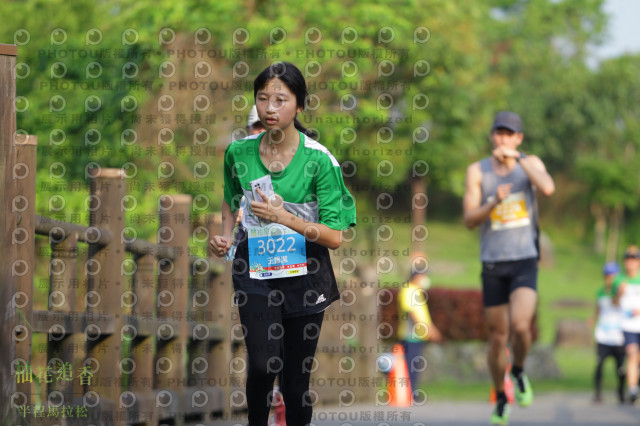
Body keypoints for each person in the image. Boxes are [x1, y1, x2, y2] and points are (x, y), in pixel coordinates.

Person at [210, 62, 356, 426]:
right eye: (262, 99)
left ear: (300, 106)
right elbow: (231, 199)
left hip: (307, 275)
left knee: (294, 382)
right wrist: (226, 236)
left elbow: (335, 238)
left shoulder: (320, 161)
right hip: (255, 270)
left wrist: (285, 218)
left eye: (280, 99)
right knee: (263, 363)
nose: (270, 108)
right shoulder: (237, 153)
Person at [462, 111, 555, 425]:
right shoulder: (477, 171)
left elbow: (547, 188)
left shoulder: (531, 163)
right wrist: (493, 203)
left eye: (509, 134)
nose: (503, 138)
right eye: (499, 133)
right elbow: (468, 220)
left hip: (524, 260)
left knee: (520, 325)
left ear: (518, 138)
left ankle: (518, 370)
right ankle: (500, 396)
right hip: (493, 263)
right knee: (498, 337)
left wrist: (520, 158)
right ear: (492, 136)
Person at [397, 255, 442, 392]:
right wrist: (428, 330)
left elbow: (423, 317)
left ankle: (412, 393)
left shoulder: (417, 292)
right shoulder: (408, 290)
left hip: (418, 335)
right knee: (411, 366)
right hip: (410, 335)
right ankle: (409, 393)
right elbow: (413, 314)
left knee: (414, 366)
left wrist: (430, 329)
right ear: (417, 276)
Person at [592, 261, 625, 404]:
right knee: (599, 363)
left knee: (620, 367)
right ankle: (598, 393)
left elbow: (616, 302)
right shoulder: (601, 291)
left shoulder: (622, 292)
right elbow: (598, 308)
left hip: (618, 335)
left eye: (612, 275)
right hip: (603, 334)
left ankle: (621, 393)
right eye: (607, 274)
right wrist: (592, 319)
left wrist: (618, 292)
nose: (609, 278)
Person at [613, 245, 640, 405]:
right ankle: (632, 391)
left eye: (634, 260)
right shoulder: (619, 280)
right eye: (628, 260)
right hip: (628, 326)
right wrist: (619, 293)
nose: (631, 263)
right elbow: (614, 303)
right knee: (632, 354)